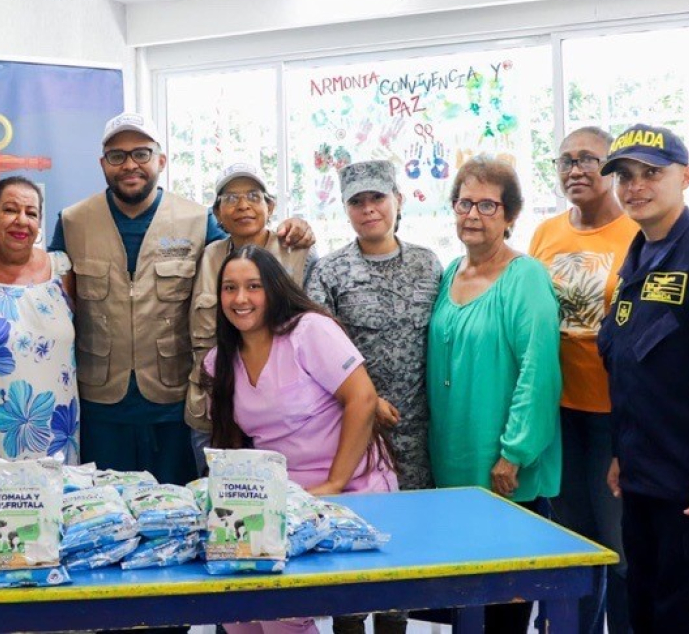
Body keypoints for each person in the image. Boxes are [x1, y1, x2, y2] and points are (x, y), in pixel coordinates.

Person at [50, 112, 312, 488]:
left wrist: (295, 227)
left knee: (177, 515)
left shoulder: (197, 219)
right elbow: (45, 289)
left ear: (161, 160)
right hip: (101, 407)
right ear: (102, 163)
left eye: (141, 153)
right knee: (105, 516)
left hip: (175, 406)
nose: (130, 165)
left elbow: (247, 243)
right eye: (117, 156)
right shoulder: (73, 221)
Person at [204, 246, 395, 634]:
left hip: (348, 490)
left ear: (273, 289)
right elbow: (236, 449)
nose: (240, 299)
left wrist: (335, 483)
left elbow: (363, 397)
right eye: (229, 288)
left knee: (280, 609)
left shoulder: (308, 331)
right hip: (283, 502)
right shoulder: (219, 360)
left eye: (253, 286)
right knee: (232, 610)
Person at [596, 124, 689, 632]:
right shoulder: (637, 259)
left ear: (687, 176)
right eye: (625, 175)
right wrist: (620, 453)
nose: (635, 186)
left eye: (652, 173)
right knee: (647, 609)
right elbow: (633, 369)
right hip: (644, 479)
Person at [426, 156, 561, 634]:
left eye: (488, 204)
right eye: (465, 202)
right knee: (467, 598)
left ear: (510, 216)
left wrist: (515, 452)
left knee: (506, 599)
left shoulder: (525, 277)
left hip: (506, 468)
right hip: (454, 463)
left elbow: (539, 370)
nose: (473, 214)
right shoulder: (448, 275)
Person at [307, 159, 441, 634]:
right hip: (354, 434)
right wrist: (368, 401)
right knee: (351, 545)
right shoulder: (330, 273)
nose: (368, 210)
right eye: (357, 202)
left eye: (377, 199)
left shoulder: (429, 263)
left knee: (402, 551)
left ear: (397, 201)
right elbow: (318, 356)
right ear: (346, 210)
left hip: (417, 435)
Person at [529, 127, 634, 634]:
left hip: (617, 414)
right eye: (565, 161)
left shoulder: (637, 232)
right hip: (559, 410)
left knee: (621, 548)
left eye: (589, 159)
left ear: (611, 168)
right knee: (575, 545)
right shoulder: (546, 234)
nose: (575, 170)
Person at [186, 162, 312, 473]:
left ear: (271, 206)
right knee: (219, 503)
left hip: (278, 412)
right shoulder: (208, 257)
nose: (243, 205)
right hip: (214, 407)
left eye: (254, 196)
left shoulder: (298, 253)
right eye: (231, 198)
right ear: (217, 214)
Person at [0, 176, 78, 466]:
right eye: (10, 210)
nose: (21, 221)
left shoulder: (61, 269)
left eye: (31, 213)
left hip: (56, 436)